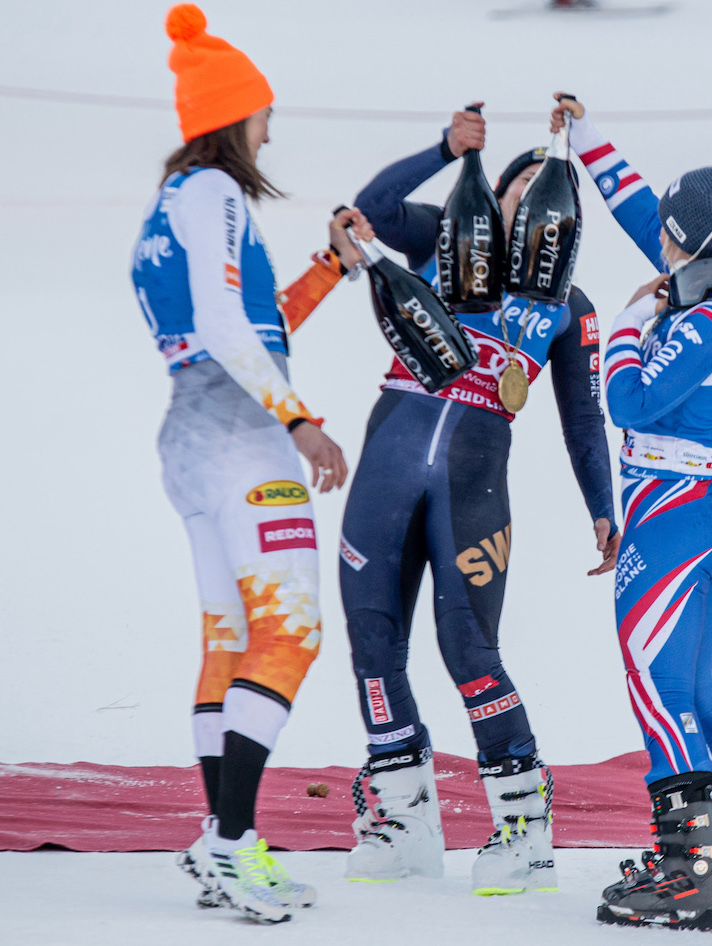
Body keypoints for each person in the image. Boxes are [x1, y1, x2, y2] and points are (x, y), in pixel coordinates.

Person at [339, 104, 620, 895]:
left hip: (471, 484)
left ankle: (523, 828)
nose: (531, 201)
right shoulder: (436, 237)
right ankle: (402, 816)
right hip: (386, 467)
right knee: (372, 641)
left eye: (546, 191)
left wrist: (602, 505)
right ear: (493, 196)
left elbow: (583, 418)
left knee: (469, 650)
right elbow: (374, 209)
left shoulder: (571, 305)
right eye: (519, 184)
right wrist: (443, 148)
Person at [130, 4, 370, 924]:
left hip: (191, 437)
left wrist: (328, 267)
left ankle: (221, 841)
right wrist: (302, 422)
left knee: (229, 643)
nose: (271, 127)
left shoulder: (169, 204)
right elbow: (234, 332)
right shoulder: (218, 194)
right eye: (263, 112)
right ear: (232, 117)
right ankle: (230, 846)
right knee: (291, 634)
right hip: (242, 440)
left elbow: (243, 329)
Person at [551, 95, 712, 929]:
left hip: (675, 524)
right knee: (698, 693)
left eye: (667, 233)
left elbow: (627, 400)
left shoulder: (707, 323)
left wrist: (621, 321)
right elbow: (643, 211)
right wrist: (585, 139)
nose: (654, 239)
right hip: (698, 518)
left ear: (690, 245)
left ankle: (690, 873)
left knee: (658, 693)